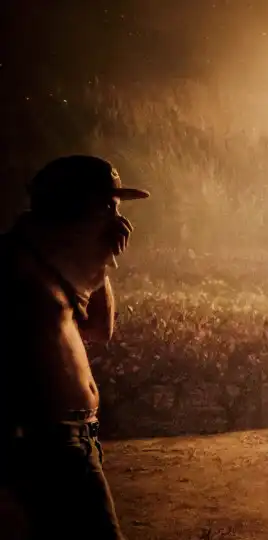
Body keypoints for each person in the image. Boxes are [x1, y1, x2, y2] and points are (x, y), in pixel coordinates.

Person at [0, 155, 149, 540]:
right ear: (78, 208)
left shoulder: (59, 265)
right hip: (46, 440)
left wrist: (102, 258)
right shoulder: (14, 265)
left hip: (72, 436)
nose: (118, 220)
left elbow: (99, 329)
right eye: (109, 207)